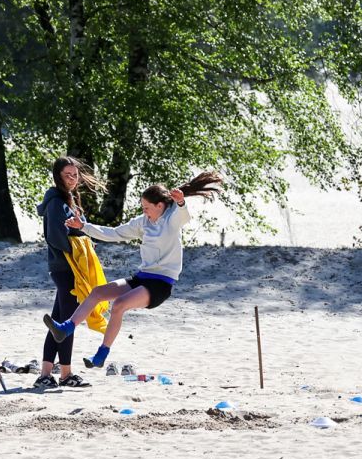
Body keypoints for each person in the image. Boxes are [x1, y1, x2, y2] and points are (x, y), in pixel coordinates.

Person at [44, 171, 226, 368]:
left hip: (161, 284)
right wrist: (84, 227)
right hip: (142, 277)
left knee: (119, 304)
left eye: (147, 207)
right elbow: (114, 233)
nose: (144, 211)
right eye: (142, 207)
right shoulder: (143, 222)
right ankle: (66, 329)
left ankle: (101, 354)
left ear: (159, 206)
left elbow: (184, 216)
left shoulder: (172, 219)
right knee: (97, 293)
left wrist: (181, 203)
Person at [35, 156, 102, 389]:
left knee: (58, 324)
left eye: (75, 175)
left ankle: (45, 374)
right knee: (67, 323)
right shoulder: (56, 202)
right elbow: (55, 236)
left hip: (72, 267)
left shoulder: (71, 200)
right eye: (67, 175)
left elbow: (78, 231)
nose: (72, 179)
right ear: (58, 177)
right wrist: (78, 250)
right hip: (65, 267)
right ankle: (65, 374)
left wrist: (86, 244)